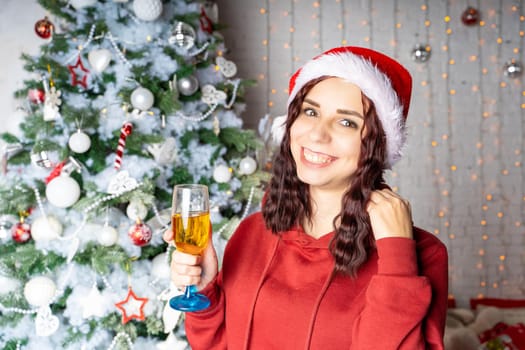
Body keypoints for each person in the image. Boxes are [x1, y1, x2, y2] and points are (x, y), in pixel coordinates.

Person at [164, 46, 449, 349]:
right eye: (310, 112)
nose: (317, 134)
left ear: (377, 144)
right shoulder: (252, 232)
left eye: (346, 122)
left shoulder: (420, 255)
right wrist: (207, 289)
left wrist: (397, 262)